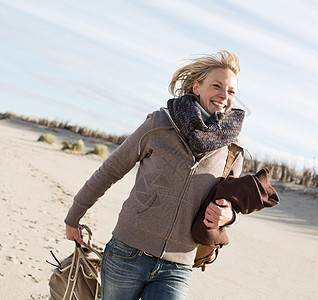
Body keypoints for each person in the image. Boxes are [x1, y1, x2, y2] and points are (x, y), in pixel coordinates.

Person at [64, 50, 246, 299]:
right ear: (196, 87)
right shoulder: (160, 124)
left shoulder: (232, 151)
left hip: (178, 265)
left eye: (231, 91)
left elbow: (231, 207)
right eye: (217, 85)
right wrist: (74, 215)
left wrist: (228, 217)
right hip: (127, 251)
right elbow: (110, 170)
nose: (224, 96)